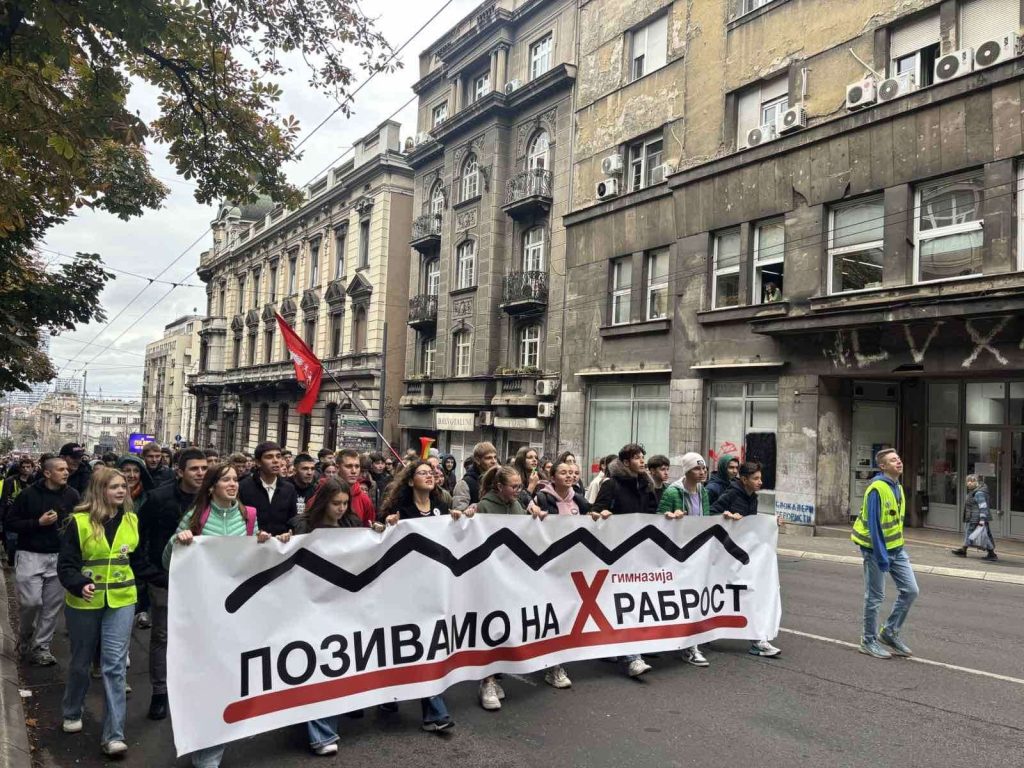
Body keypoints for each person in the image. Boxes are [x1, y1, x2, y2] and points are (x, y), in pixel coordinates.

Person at [164, 463, 291, 768]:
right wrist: (177, 542)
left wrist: (267, 543)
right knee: (207, 680)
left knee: (229, 679)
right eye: (226, 480)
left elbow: (253, 561)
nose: (233, 484)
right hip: (203, 613)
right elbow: (170, 562)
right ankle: (203, 747)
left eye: (235, 480)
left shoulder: (247, 515)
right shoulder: (196, 517)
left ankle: (210, 752)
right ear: (212, 487)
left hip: (235, 613)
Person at [58, 467, 148, 757]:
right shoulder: (79, 521)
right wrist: (79, 584)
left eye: (123, 486)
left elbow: (140, 560)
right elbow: (66, 565)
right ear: (99, 490)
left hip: (122, 600)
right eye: (113, 487)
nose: (121, 491)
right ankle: (72, 710)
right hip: (85, 601)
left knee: (114, 665)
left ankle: (114, 735)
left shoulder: (132, 520)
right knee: (81, 662)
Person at [378, 462, 455, 732]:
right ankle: (388, 695)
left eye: (432, 473)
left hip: (432, 586)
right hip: (403, 588)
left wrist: (460, 521)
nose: (430, 476)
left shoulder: (441, 509)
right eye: (423, 472)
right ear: (410, 481)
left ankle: (434, 712)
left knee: (428, 645)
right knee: (399, 645)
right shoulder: (400, 512)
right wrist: (387, 527)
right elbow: (380, 543)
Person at [136, 447, 208, 720]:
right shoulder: (158, 498)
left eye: (204, 468)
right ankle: (160, 692)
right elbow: (139, 539)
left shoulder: (213, 498)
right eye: (194, 469)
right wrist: (151, 573)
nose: (200, 473)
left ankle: (192, 689)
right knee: (163, 636)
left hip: (203, 582)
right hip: (164, 580)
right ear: (180, 471)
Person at [591, 444, 657, 678]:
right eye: (637, 458)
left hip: (639, 554)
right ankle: (633, 657)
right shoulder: (611, 484)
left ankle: (622, 648)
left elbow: (652, 514)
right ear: (626, 462)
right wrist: (603, 514)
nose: (642, 461)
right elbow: (595, 512)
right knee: (622, 604)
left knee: (631, 603)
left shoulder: (646, 484)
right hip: (615, 554)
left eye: (643, 457)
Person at [7, 454, 80, 665]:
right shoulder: (28, 494)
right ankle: (25, 635)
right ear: (47, 473)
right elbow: (11, 522)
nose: (66, 472)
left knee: (51, 607)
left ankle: (41, 647)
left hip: (59, 556)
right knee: (31, 602)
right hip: (30, 554)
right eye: (60, 469)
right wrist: (37, 523)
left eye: (66, 469)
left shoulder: (72, 495)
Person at [851, 448, 918, 660]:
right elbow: (874, 526)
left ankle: (889, 632)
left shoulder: (897, 486)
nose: (898, 462)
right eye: (892, 460)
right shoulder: (877, 489)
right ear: (882, 466)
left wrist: (895, 551)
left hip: (897, 550)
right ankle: (868, 641)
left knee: (910, 591)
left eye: (898, 458)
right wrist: (881, 557)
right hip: (876, 551)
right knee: (875, 597)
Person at [711, 460, 782, 658]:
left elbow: (752, 522)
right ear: (744, 479)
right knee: (722, 593)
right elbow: (711, 513)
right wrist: (725, 515)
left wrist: (771, 523)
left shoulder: (753, 497)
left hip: (742, 555)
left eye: (760, 478)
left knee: (749, 592)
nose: (760, 482)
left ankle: (757, 640)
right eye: (755, 478)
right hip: (725, 553)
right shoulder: (732, 493)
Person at [657, 452, 711, 667]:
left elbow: (705, 518)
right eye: (698, 469)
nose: (702, 472)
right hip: (677, 552)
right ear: (687, 471)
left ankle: (691, 643)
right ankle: (684, 642)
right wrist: (670, 517)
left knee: (695, 596)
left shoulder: (703, 491)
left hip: (697, 551)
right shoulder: (672, 492)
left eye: (704, 468)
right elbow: (658, 519)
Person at [116, 454, 154, 629]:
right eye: (126, 471)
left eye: (136, 471)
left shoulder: (149, 496)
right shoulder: (111, 496)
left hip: (140, 551)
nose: (131, 475)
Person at [238, 441, 298, 535]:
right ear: (258, 462)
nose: (275, 460)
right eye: (269, 457)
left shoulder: (289, 489)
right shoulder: (243, 487)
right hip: (252, 544)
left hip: (280, 545)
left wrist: (289, 532)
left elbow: (293, 520)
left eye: (278, 456)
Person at [952, 474, 996, 561]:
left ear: (977, 482)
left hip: (976, 518)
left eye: (972, 481)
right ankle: (964, 550)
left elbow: (983, 506)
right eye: (968, 481)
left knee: (982, 535)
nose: (969, 483)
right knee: (972, 534)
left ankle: (991, 553)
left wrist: (982, 520)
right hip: (974, 517)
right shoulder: (975, 491)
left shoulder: (979, 493)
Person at [1, 455, 36, 561]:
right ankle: (11, 558)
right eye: (24, 467)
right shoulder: (10, 481)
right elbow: (4, 500)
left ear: (32, 468)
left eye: (28, 466)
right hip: (12, 515)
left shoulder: (35, 481)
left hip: (28, 517)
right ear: (20, 468)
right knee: (12, 541)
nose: (26, 469)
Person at [452, 442, 498, 513]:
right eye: (488, 458)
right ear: (477, 460)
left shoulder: (499, 480)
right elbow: (459, 514)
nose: (494, 461)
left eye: (495, 457)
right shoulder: (464, 484)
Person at [335, 448, 376, 526]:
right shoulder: (324, 494)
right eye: (348, 466)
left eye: (357, 466)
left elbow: (369, 530)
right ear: (337, 468)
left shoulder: (365, 500)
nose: (354, 471)